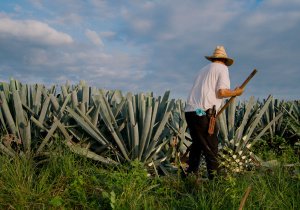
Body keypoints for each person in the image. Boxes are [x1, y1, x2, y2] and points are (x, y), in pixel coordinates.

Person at [184, 45, 244, 179]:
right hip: (203, 112)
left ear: (214, 59)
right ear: (224, 60)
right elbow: (221, 92)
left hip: (191, 111)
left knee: (198, 144)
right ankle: (215, 181)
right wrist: (236, 92)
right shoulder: (222, 68)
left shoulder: (203, 70)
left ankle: (190, 176)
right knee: (211, 146)